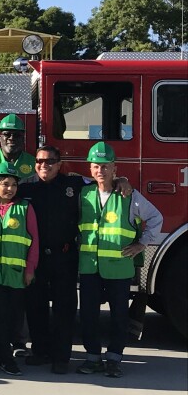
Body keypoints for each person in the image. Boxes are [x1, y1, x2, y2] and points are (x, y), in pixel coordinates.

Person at [18, 144, 132, 373]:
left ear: (59, 165)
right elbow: (3, 194)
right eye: (39, 161)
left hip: (65, 256)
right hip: (35, 257)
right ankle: (40, 351)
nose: (44, 165)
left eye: (50, 161)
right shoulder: (26, 187)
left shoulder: (75, 184)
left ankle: (61, 357)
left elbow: (103, 183)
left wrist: (122, 180)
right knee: (35, 306)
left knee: (65, 308)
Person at [76, 141, 162, 378]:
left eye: (105, 166)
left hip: (119, 268)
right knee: (89, 315)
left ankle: (114, 358)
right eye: (96, 166)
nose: (100, 171)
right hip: (90, 266)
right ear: (90, 169)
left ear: (115, 168)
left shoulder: (129, 195)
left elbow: (156, 218)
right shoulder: (83, 192)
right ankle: (93, 357)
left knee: (118, 317)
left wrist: (141, 244)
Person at [0, 162, 39, 376]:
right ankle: (5, 359)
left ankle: (0, 358)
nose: (10, 188)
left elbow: (34, 241)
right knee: (0, 316)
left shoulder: (25, 208)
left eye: (13, 184)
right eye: (5, 184)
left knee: (12, 317)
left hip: (16, 274)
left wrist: (30, 269)